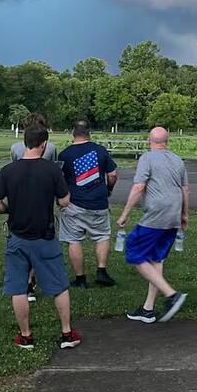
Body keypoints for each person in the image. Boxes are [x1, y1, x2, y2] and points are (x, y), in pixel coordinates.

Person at [0, 123, 81, 350]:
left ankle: (26, 336)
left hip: (17, 236)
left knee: (18, 288)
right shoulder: (51, 170)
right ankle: (67, 333)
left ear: (25, 143)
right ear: (44, 144)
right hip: (45, 236)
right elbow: (64, 201)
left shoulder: (8, 170)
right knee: (59, 286)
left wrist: (8, 209)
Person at [117, 127, 189, 324]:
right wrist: (184, 215)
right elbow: (185, 189)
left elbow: (139, 187)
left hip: (156, 215)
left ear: (150, 141)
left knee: (134, 250)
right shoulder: (177, 160)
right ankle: (148, 310)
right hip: (173, 214)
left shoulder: (146, 158)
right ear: (168, 140)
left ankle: (172, 295)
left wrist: (124, 213)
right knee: (156, 259)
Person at [59, 119, 119, 288]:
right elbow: (113, 174)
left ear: (73, 133)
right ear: (89, 133)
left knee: (74, 240)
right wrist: (108, 189)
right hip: (99, 202)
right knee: (102, 236)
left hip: (74, 204)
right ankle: (101, 271)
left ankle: (80, 279)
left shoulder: (65, 154)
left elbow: (59, 179)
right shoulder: (100, 150)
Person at [9, 112, 60, 303]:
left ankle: (26, 281)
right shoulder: (51, 148)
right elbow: (54, 170)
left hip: (19, 199)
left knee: (20, 239)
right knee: (41, 239)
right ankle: (32, 277)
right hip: (43, 198)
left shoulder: (15, 147)